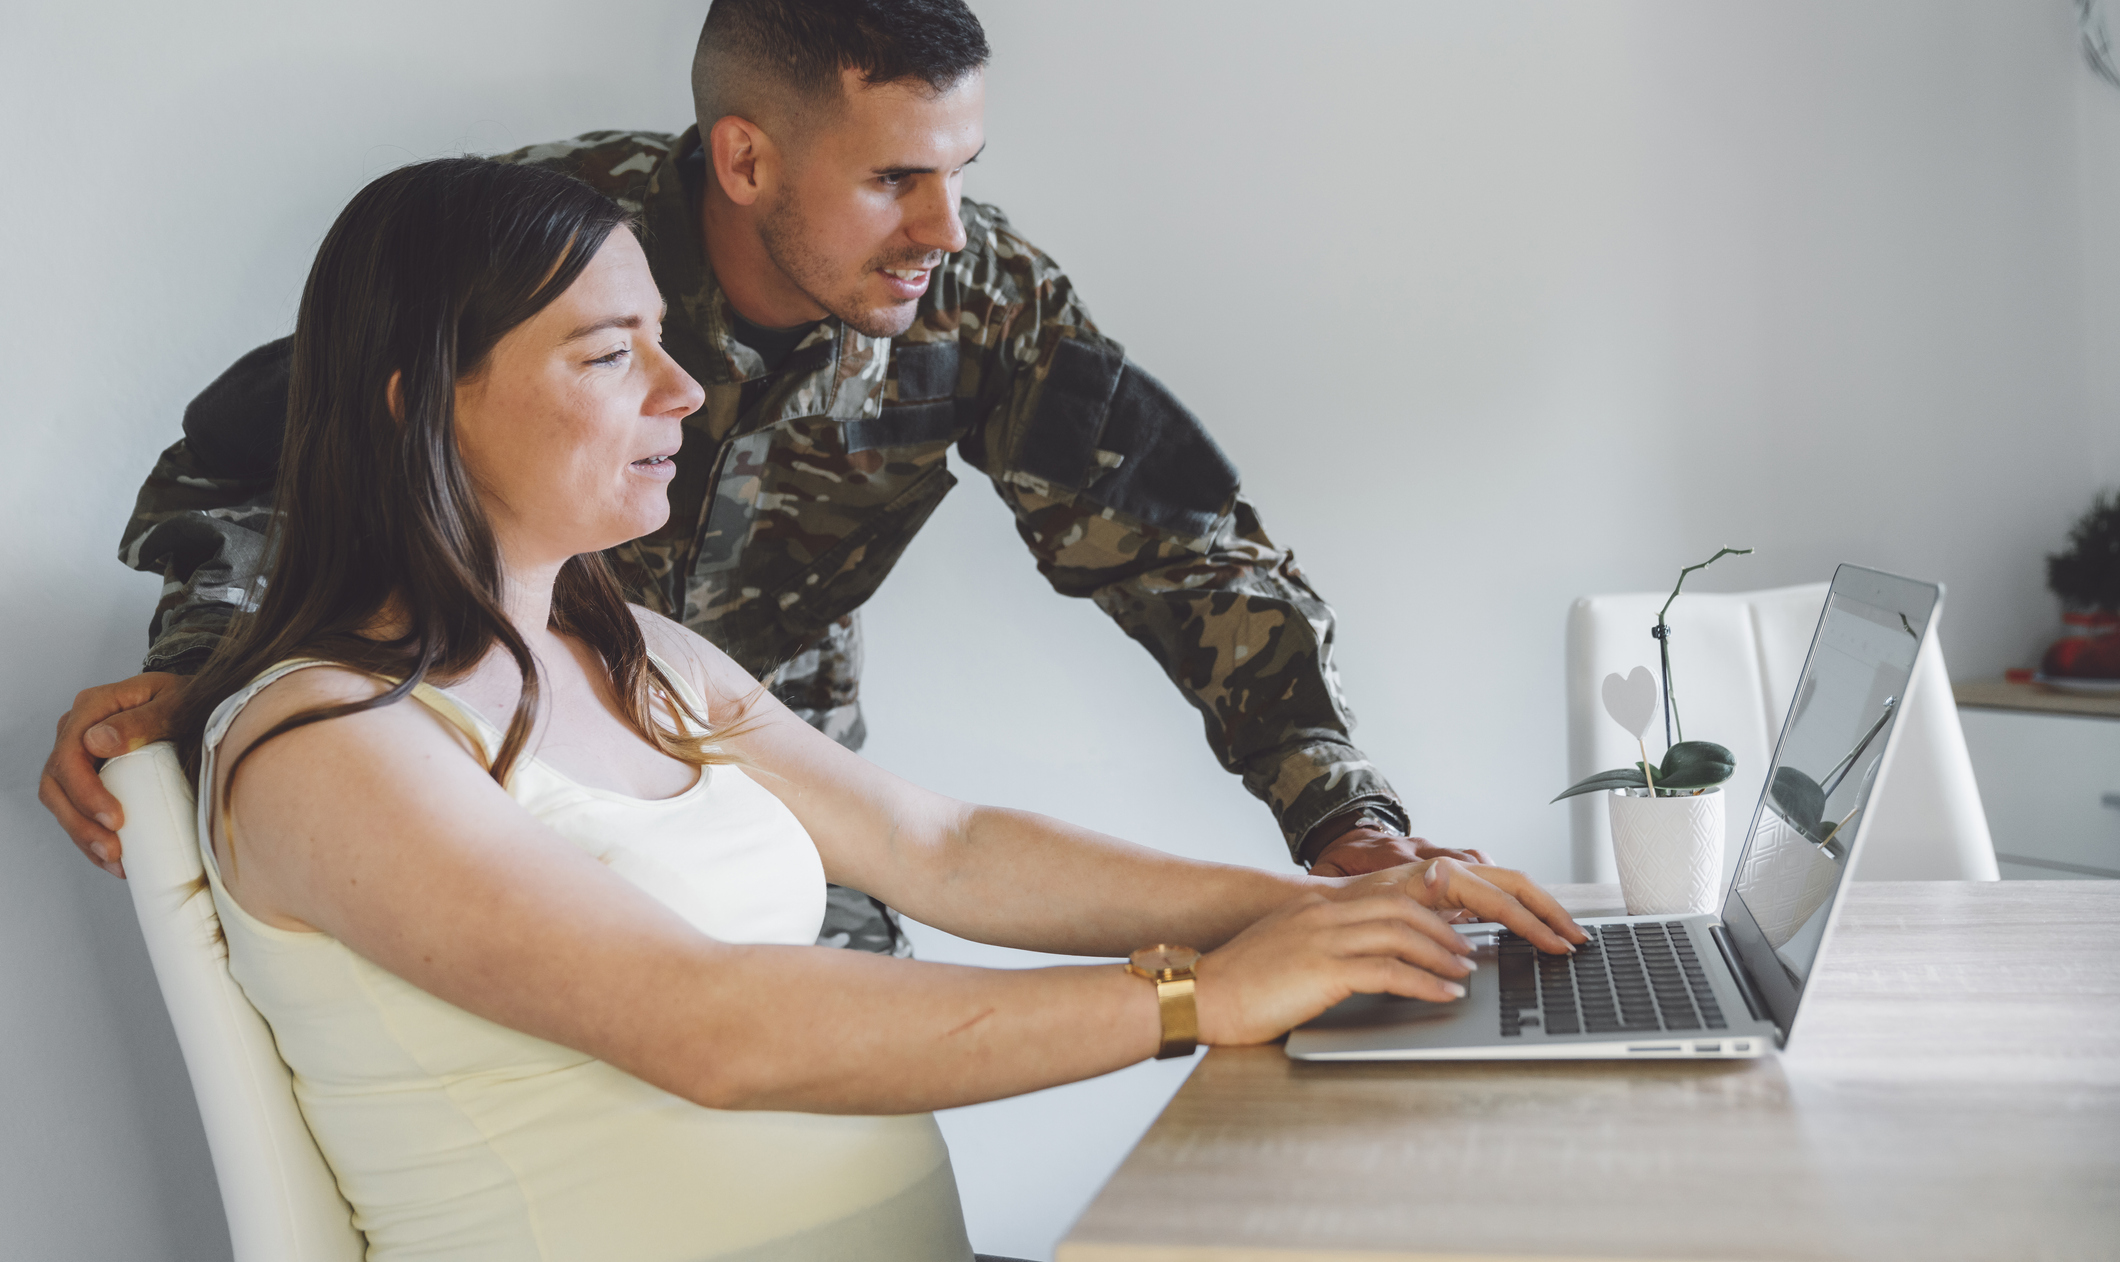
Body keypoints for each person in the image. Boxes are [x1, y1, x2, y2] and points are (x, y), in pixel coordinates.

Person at [180, 152, 1583, 1259]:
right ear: (415, 405)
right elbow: (710, 1025)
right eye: (610, 357)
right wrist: (1198, 998)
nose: (684, 387)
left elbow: (944, 846)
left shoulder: (636, 650)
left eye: (664, 338)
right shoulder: (328, 753)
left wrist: (1300, 910)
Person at [42, 0, 1486, 961]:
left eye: (962, 172)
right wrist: (203, 665)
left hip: (783, 783)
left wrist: (1340, 826)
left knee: (861, 1142)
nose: (945, 227)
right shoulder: (547, 253)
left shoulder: (978, 298)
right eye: (895, 178)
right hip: (494, 781)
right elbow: (248, 448)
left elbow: (1187, 547)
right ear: (744, 158)